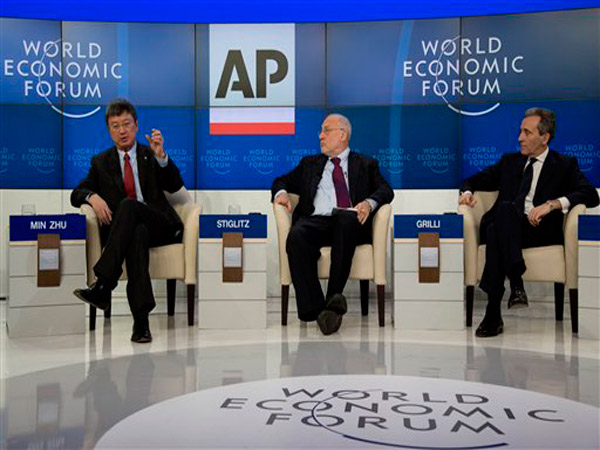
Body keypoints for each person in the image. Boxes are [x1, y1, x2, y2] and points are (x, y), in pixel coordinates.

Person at [459, 108, 599, 337]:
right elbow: (471, 180)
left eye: (527, 132)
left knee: (496, 229)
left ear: (545, 137)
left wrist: (552, 204)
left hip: (537, 230)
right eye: (520, 132)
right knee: (503, 213)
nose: (520, 138)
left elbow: (591, 195)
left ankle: (494, 312)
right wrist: (466, 193)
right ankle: (516, 283)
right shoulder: (509, 161)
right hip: (505, 225)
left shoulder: (564, 164)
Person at [71, 99, 185, 343]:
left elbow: (175, 185)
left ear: (136, 125)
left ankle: (104, 284)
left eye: (126, 124)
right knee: (137, 234)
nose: (122, 131)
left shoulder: (150, 154)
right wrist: (93, 197)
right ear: (109, 130)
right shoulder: (101, 162)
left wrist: (162, 157)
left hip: (160, 225)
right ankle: (141, 323)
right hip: (132, 231)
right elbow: (76, 193)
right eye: (115, 126)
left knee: (128, 206)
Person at [271, 113, 394, 335]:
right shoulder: (309, 164)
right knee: (296, 235)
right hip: (315, 222)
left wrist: (368, 203)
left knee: (345, 218)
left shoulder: (365, 164)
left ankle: (332, 296)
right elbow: (281, 180)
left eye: (326, 130)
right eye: (320, 131)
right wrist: (281, 193)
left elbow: (386, 190)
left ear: (343, 134)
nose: (320, 136)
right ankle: (320, 309)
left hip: (349, 223)